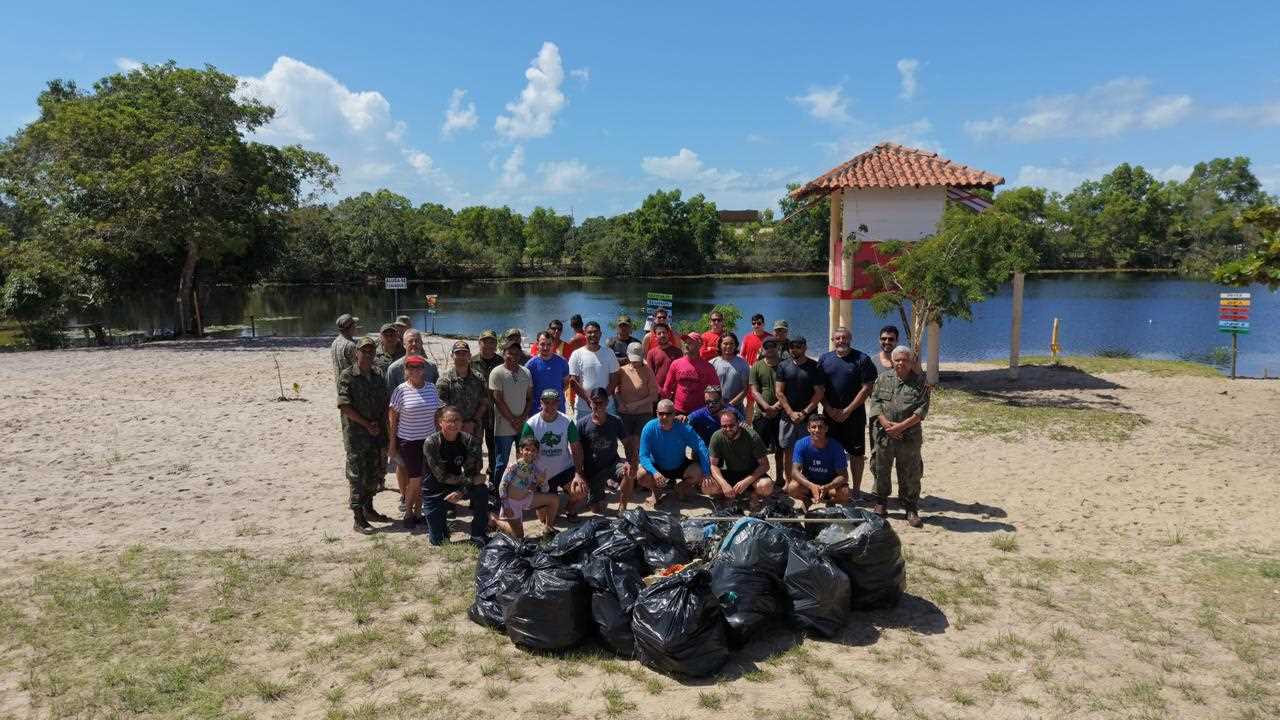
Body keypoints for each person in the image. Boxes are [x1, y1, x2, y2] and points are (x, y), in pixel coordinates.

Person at [868, 345, 931, 528]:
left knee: (910, 471)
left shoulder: (921, 382)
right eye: (897, 360)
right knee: (880, 468)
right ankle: (881, 503)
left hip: (909, 436)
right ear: (892, 361)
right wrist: (886, 423)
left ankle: (910, 507)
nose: (901, 363)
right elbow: (876, 402)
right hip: (884, 434)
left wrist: (901, 427)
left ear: (911, 362)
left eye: (905, 360)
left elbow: (922, 410)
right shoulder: (882, 379)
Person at [337, 336, 392, 534]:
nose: (368, 355)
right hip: (357, 435)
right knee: (357, 476)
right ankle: (358, 519)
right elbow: (344, 406)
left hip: (377, 432)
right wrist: (366, 425)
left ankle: (369, 509)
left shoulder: (378, 375)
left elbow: (385, 402)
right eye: (364, 351)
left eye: (371, 352)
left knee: (374, 473)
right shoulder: (347, 376)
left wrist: (381, 424)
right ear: (356, 353)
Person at [818, 326, 878, 500]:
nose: (841, 341)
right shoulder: (824, 359)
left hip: (854, 416)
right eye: (837, 338)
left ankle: (857, 490)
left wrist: (848, 410)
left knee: (856, 454)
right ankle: (833, 488)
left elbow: (867, 388)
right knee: (830, 451)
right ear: (833, 340)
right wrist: (828, 408)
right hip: (830, 415)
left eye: (844, 338)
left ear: (850, 339)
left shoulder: (862, 359)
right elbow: (820, 388)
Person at [422, 406, 489, 546]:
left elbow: (473, 471)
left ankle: (478, 533)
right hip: (434, 491)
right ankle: (442, 524)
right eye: (449, 420)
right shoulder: (432, 443)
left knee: (481, 490)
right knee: (439, 542)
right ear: (440, 422)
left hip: (459, 486)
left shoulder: (468, 440)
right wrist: (471, 481)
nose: (453, 424)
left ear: (462, 422)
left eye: (457, 420)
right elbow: (442, 477)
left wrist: (461, 491)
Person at [388, 355, 441, 528]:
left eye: (418, 367)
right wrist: (392, 444)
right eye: (411, 368)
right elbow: (393, 419)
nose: (415, 371)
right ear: (406, 371)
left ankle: (419, 511)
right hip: (409, 441)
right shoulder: (400, 390)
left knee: (424, 479)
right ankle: (409, 512)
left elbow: (437, 415)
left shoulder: (432, 388)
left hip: (429, 441)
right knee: (415, 479)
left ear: (423, 370)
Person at [519, 389, 589, 516]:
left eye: (554, 402)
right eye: (546, 402)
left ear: (559, 403)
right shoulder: (531, 424)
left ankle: (569, 507)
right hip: (541, 474)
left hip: (564, 469)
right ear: (541, 403)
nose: (550, 406)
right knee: (544, 517)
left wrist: (578, 473)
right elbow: (522, 454)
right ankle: (549, 503)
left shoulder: (567, 421)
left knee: (581, 491)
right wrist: (527, 477)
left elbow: (576, 448)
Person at [636, 399, 711, 509]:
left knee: (699, 472)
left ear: (674, 414)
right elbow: (643, 456)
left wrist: (706, 472)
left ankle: (681, 488)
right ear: (656, 413)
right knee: (641, 475)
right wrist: (654, 472)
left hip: (679, 465)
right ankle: (656, 491)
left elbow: (701, 447)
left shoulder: (683, 428)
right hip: (658, 466)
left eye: (668, 414)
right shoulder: (649, 428)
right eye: (661, 414)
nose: (664, 417)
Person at [774, 335, 827, 482]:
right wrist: (791, 413)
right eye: (791, 346)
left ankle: (807, 481)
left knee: (809, 449)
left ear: (805, 347)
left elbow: (819, 392)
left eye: (798, 346)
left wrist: (804, 412)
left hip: (808, 417)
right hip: (787, 417)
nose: (794, 349)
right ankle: (789, 482)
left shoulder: (814, 366)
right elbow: (779, 391)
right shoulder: (783, 366)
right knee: (788, 451)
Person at [614, 342, 658, 509]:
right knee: (628, 445)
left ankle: (639, 478)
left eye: (638, 359)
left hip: (642, 413)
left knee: (638, 444)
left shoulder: (647, 371)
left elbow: (654, 395)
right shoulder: (622, 370)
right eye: (633, 359)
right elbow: (616, 391)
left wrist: (636, 405)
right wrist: (621, 403)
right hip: (625, 413)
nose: (635, 362)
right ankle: (630, 476)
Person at [488, 340, 533, 497]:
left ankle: (520, 489)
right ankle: (497, 494)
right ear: (503, 353)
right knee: (502, 461)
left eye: (516, 353)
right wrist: (513, 420)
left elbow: (529, 398)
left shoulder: (526, 372)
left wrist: (522, 418)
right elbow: (497, 399)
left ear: (520, 354)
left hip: (522, 425)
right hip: (503, 426)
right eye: (509, 353)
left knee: (524, 460)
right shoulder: (497, 372)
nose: (513, 356)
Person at [707, 408, 773, 512]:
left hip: (750, 472)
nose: (728, 429)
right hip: (730, 472)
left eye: (731, 425)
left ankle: (753, 495)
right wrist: (724, 484)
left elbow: (765, 465)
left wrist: (747, 481)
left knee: (766, 486)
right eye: (724, 426)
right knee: (707, 486)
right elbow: (713, 465)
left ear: (738, 423)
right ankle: (727, 495)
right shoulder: (717, 436)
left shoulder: (752, 436)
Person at [494, 436, 560, 539]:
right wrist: (506, 506)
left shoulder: (535, 468)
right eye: (527, 449)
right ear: (521, 450)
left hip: (527, 498)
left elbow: (544, 490)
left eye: (533, 450)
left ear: (537, 452)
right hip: (511, 503)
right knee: (519, 536)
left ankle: (549, 528)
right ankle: (495, 520)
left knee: (554, 499)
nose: (530, 453)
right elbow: (502, 486)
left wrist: (542, 482)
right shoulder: (514, 466)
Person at [577, 388, 629, 514]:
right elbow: (577, 452)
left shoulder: (616, 421)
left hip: (613, 464)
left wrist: (629, 461)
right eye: (595, 402)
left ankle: (622, 507)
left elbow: (627, 444)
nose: (598, 406)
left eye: (601, 402)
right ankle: (603, 487)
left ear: (607, 403)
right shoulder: (582, 424)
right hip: (593, 470)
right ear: (590, 403)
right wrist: (579, 473)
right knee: (597, 510)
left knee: (629, 472)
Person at [786, 414, 851, 508]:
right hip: (809, 484)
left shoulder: (836, 447)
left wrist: (827, 487)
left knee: (845, 493)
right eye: (813, 427)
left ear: (826, 429)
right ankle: (807, 501)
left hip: (829, 485)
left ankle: (831, 502)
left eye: (820, 427)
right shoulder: (801, 444)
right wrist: (811, 486)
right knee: (792, 488)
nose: (817, 430)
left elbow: (844, 476)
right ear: (808, 429)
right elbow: (794, 471)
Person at [749, 338, 787, 485]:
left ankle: (779, 477)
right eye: (767, 347)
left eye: (772, 346)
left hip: (781, 413)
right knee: (758, 448)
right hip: (762, 414)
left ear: (777, 348)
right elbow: (754, 391)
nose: (770, 349)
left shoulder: (784, 365)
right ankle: (760, 475)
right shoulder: (757, 366)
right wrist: (767, 407)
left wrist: (777, 407)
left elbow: (787, 389)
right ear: (763, 349)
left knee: (780, 447)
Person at [568, 320, 621, 422]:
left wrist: (603, 400)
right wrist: (589, 400)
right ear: (585, 334)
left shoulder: (609, 353)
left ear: (600, 334)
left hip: (607, 407)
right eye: (589, 332)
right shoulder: (576, 354)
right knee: (583, 437)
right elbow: (573, 381)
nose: (593, 334)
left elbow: (614, 378)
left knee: (608, 436)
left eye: (595, 332)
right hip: (583, 408)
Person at [437, 340, 490, 438]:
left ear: (469, 356)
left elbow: (484, 402)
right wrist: (458, 424)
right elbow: (442, 407)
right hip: (451, 429)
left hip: (474, 429)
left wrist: (472, 422)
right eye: (458, 353)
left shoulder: (479, 378)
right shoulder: (444, 379)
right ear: (452, 356)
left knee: (474, 453)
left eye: (464, 353)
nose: (461, 356)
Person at [661, 332, 719, 417]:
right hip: (678, 410)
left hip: (700, 412)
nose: (686, 345)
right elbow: (667, 388)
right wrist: (664, 407)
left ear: (699, 345)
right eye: (685, 343)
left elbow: (716, 389)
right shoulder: (676, 364)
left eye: (690, 343)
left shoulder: (708, 367)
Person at [473, 330, 505, 483]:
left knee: (494, 447)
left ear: (496, 344)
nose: (488, 345)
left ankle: (493, 476)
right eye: (485, 341)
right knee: (475, 446)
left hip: (496, 413)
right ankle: (474, 476)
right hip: (476, 412)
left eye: (492, 342)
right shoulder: (471, 361)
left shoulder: (502, 361)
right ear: (480, 343)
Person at [525, 331, 571, 416]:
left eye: (549, 344)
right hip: (537, 411)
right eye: (542, 344)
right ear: (537, 345)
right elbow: (527, 390)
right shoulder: (530, 365)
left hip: (558, 409)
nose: (545, 347)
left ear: (553, 344)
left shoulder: (562, 362)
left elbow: (566, 384)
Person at [711, 333, 751, 413]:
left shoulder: (742, 364)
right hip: (715, 408)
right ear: (720, 345)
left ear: (736, 345)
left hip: (736, 408)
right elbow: (708, 386)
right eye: (725, 343)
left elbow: (745, 389)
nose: (728, 346)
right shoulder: (712, 363)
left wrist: (730, 405)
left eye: (731, 343)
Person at [644, 323, 683, 392]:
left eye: (664, 332)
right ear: (655, 337)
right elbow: (650, 374)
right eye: (659, 333)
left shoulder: (678, 352)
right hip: (657, 391)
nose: (662, 335)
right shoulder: (651, 353)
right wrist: (659, 389)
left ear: (668, 334)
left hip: (674, 391)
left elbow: (680, 373)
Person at [330, 313, 359, 387]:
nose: (356, 327)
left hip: (340, 385)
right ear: (350, 327)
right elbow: (358, 369)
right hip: (351, 386)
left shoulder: (334, 343)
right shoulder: (350, 345)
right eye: (354, 324)